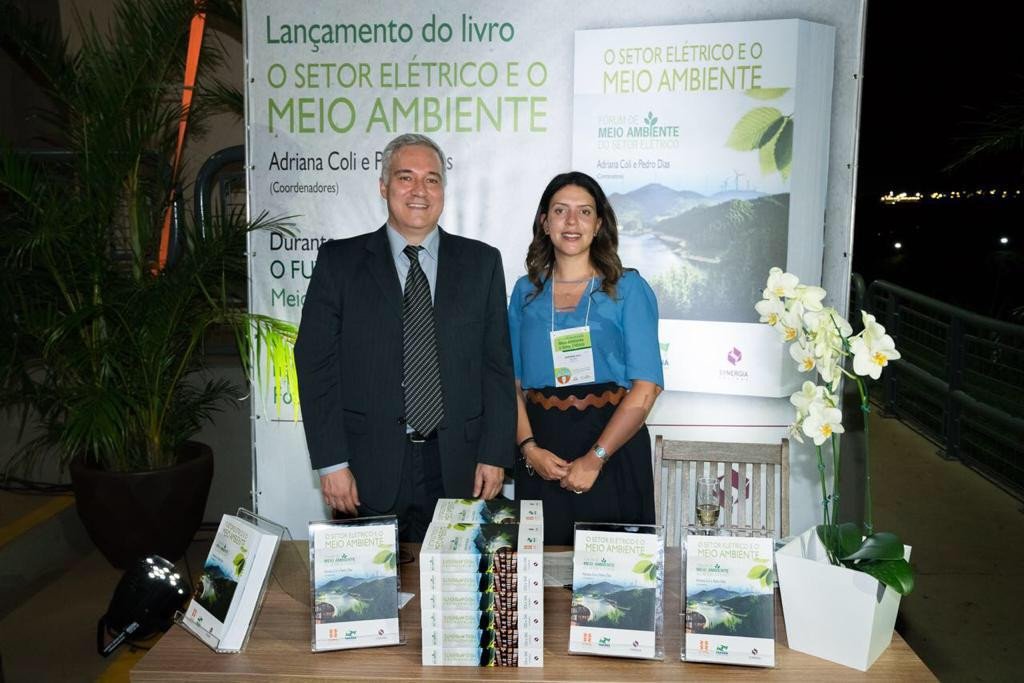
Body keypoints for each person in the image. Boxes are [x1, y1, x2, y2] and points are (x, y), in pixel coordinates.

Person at [294, 133, 516, 542]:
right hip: (365, 469)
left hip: (459, 467)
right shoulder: (339, 263)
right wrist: (331, 464)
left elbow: (497, 366)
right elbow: (315, 365)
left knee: (455, 600)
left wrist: (494, 453)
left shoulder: (482, 263)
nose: (419, 191)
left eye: (432, 180)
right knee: (368, 599)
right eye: (405, 177)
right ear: (383, 186)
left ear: (444, 191)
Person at [508, 171, 664, 545]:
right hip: (542, 457)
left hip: (612, 452)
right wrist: (530, 450)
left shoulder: (630, 289)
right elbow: (509, 384)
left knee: (614, 585)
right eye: (560, 211)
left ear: (599, 224)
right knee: (543, 589)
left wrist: (595, 458)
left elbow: (646, 388)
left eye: (584, 211)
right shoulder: (524, 292)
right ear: (545, 223)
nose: (572, 222)